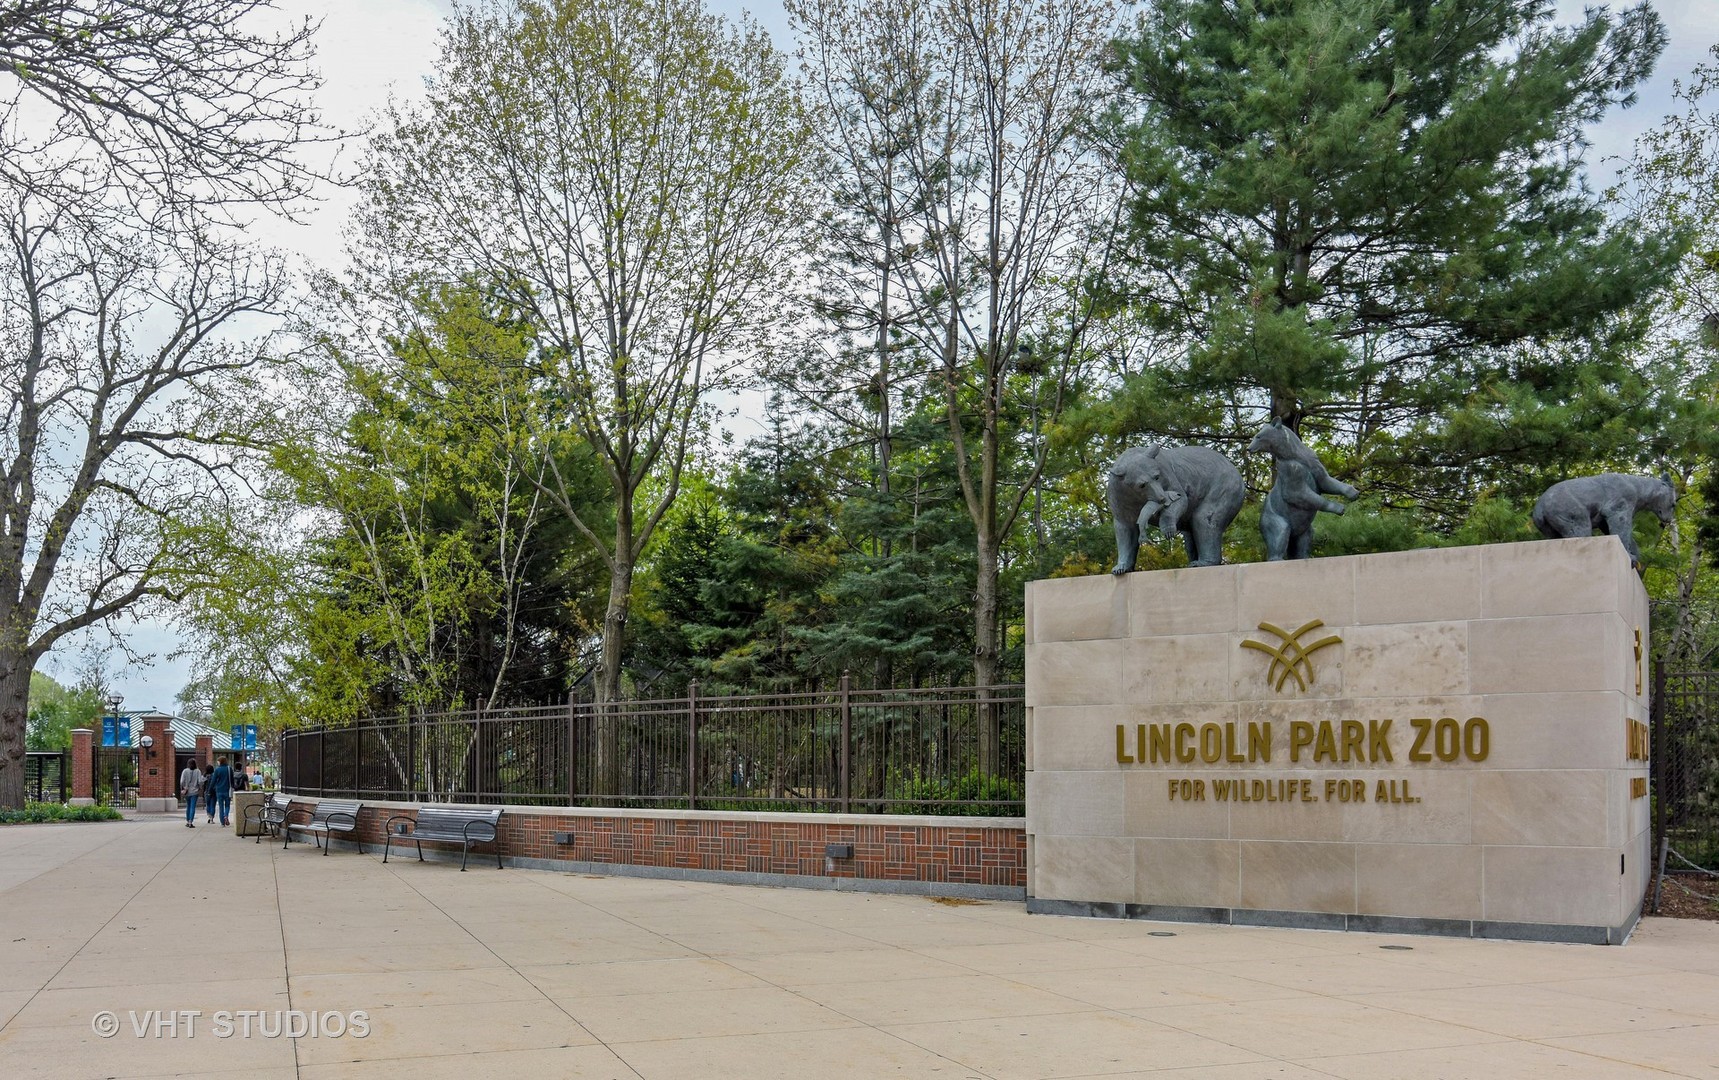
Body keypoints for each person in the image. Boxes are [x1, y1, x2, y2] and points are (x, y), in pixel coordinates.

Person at [179, 761, 204, 828]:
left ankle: (187, 821)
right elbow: (200, 781)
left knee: (188, 806)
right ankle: (190, 821)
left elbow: (181, 781)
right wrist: (200, 788)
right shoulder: (198, 771)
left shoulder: (185, 771)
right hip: (195, 791)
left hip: (187, 791)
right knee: (193, 807)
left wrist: (183, 788)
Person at [210, 756, 233, 827]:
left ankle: (222, 823)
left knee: (221, 806)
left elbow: (213, 781)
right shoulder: (229, 769)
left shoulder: (217, 770)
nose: (217, 762)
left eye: (218, 761)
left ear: (220, 762)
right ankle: (226, 815)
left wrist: (210, 789)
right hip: (227, 790)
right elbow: (232, 779)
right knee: (227, 805)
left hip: (219, 790)